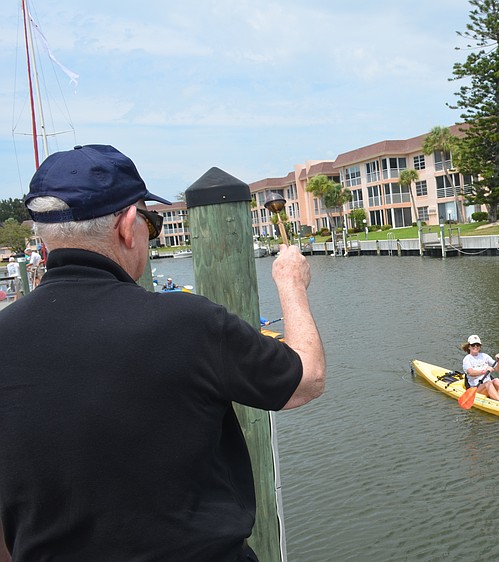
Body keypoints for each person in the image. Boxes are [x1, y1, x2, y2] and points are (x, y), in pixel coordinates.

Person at [0, 144, 326, 561]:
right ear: (127, 224)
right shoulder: (187, 324)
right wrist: (291, 285)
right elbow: (306, 378)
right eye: (150, 224)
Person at [462, 334, 499, 404]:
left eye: (478, 345)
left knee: (496, 380)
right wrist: (484, 371)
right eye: (473, 345)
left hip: (489, 386)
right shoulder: (467, 359)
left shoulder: (484, 356)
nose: (475, 347)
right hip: (476, 388)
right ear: (469, 347)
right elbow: (471, 373)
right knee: (488, 383)